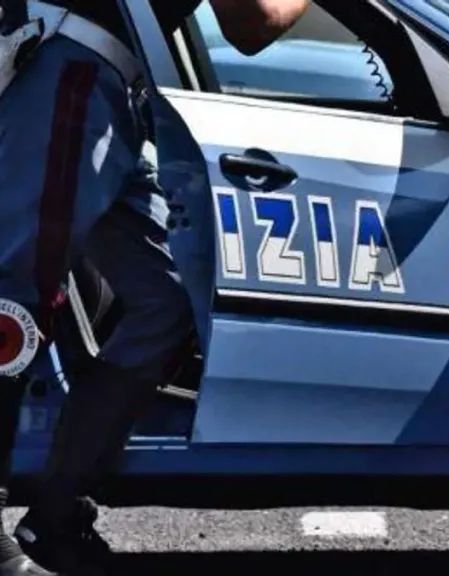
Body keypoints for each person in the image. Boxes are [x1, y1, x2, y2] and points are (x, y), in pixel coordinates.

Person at [0, 1, 310, 574]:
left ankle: (57, 514)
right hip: (71, 65)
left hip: (110, 84)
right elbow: (252, 21)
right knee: (13, 306)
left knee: (169, 298)